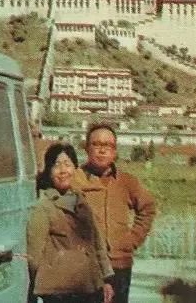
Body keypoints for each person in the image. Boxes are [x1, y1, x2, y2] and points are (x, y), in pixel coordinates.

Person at [72, 124, 157, 303]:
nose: (102, 150)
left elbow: (148, 207)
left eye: (108, 145)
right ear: (86, 148)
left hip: (119, 265)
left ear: (115, 151)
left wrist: (131, 240)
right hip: (85, 266)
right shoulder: (75, 180)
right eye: (96, 144)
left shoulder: (127, 182)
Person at [27, 143, 115, 303]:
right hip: (59, 293)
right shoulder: (43, 207)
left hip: (89, 287)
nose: (63, 171)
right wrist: (45, 284)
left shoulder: (82, 202)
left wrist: (107, 279)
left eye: (67, 164)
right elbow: (34, 256)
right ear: (49, 171)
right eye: (57, 165)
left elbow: (97, 244)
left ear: (75, 168)